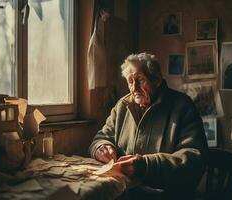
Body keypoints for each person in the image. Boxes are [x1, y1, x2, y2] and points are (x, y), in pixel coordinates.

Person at [89, 53, 208, 199]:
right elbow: (102, 137)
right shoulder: (122, 106)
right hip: (123, 191)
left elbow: (194, 160)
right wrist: (101, 147)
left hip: (164, 195)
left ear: (156, 79)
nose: (134, 88)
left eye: (140, 80)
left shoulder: (183, 107)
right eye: (130, 81)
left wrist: (145, 166)